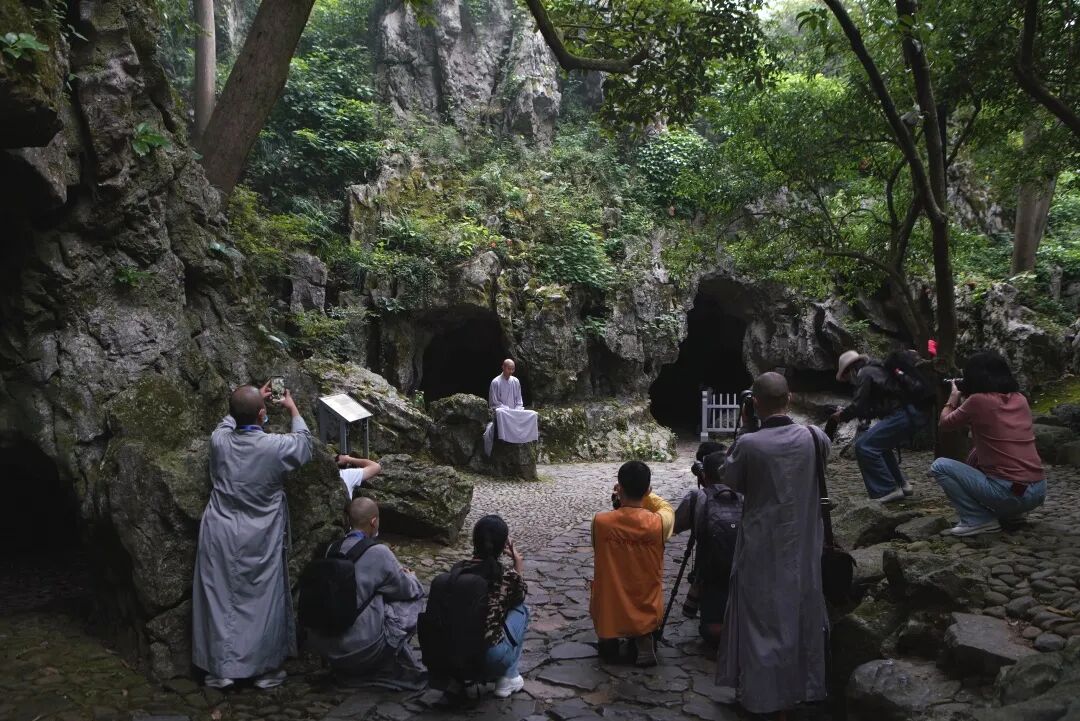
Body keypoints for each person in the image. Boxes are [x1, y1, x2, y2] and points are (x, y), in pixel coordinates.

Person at [718, 372, 829, 719]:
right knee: (801, 612)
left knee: (762, 622)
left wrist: (745, 427)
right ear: (789, 398)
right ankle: (804, 689)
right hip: (804, 544)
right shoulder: (815, 437)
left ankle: (763, 697)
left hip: (762, 544)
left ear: (754, 403)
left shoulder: (750, 445)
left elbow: (730, 480)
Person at [192, 381, 314, 689]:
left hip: (220, 530)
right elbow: (304, 444)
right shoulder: (274, 447)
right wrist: (292, 408)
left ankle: (220, 670)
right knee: (262, 601)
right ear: (262, 415)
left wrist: (252, 398)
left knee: (219, 600)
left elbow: (227, 421)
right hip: (260, 534)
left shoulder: (219, 441)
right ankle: (262, 671)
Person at [305, 498, 427, 689]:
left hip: (325, 648)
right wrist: (411, 576)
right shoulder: (379, 552)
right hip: (358, 651)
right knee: (415, 598)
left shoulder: (330, 548)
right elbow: (408, 590)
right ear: (373, 522)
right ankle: (381, 660)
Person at [930, 351, 1047, 537]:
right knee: (977, 453)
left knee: (940, 466)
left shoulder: (977, 401)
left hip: (1010, 494)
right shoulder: (1020, 398)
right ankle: (1013, 514)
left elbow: (945, 424)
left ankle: (977, 519)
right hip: (1039, 491)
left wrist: (953, 398)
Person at [591, 461, 674, 667]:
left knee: (604, 590)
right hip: (646, 606)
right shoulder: (660, 523)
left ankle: (608, 637)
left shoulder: (600, 522)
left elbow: (597, 547)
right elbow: (666, 507)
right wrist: (648, 495)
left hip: (611, 608)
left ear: (619, 488)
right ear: (647, 490)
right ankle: (643, 636)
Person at [831, 349, 922, 503]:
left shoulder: (864, 373)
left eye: (846, 377)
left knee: (863, 446)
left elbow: (859, 405)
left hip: (902, 414)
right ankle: (902, 484)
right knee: (880, 445)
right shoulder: (877, 369)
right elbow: (873, 407)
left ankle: (886, 490)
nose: (849, 381)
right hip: (912, 412)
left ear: (850, 370)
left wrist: (841, 416)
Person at [674, 449, 741, 644]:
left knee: (710, 630)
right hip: (743, 568)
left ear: (704, 475)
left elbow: (674, 526)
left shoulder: (697, 497)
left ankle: (718, 630)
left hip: (711, 571)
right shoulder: (747, 495)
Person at [484, 359, 539, 455]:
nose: (511, 371)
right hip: (503, 412)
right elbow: (494, 403)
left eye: (513, 369)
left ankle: (526, 438)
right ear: (503, 367)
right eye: (509, 369)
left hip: (514, 412)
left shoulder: (515, 381)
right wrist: (507, 409)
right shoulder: (496, 382)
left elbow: (519, 401)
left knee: (533, 414)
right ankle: (503, 438)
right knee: (500, 412)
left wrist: (517, 410)